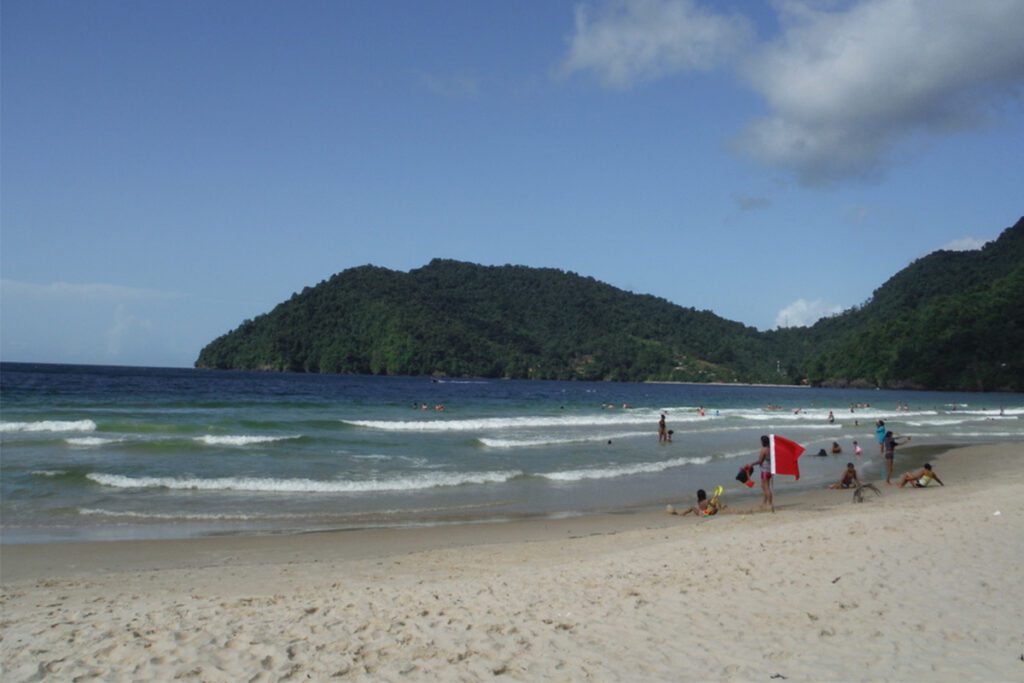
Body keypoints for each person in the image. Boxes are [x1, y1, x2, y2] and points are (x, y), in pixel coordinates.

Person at [752, 435, 773, 512]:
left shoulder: (764, 450)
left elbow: (760, 461)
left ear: (763, 442)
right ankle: (764, 503)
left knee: (766, 487)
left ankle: (770, 504)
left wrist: (752, 464)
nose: (760, 442)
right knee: (763, 486)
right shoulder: (771, 449)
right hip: (769, 470)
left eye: (761, 441)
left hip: (765, 470)